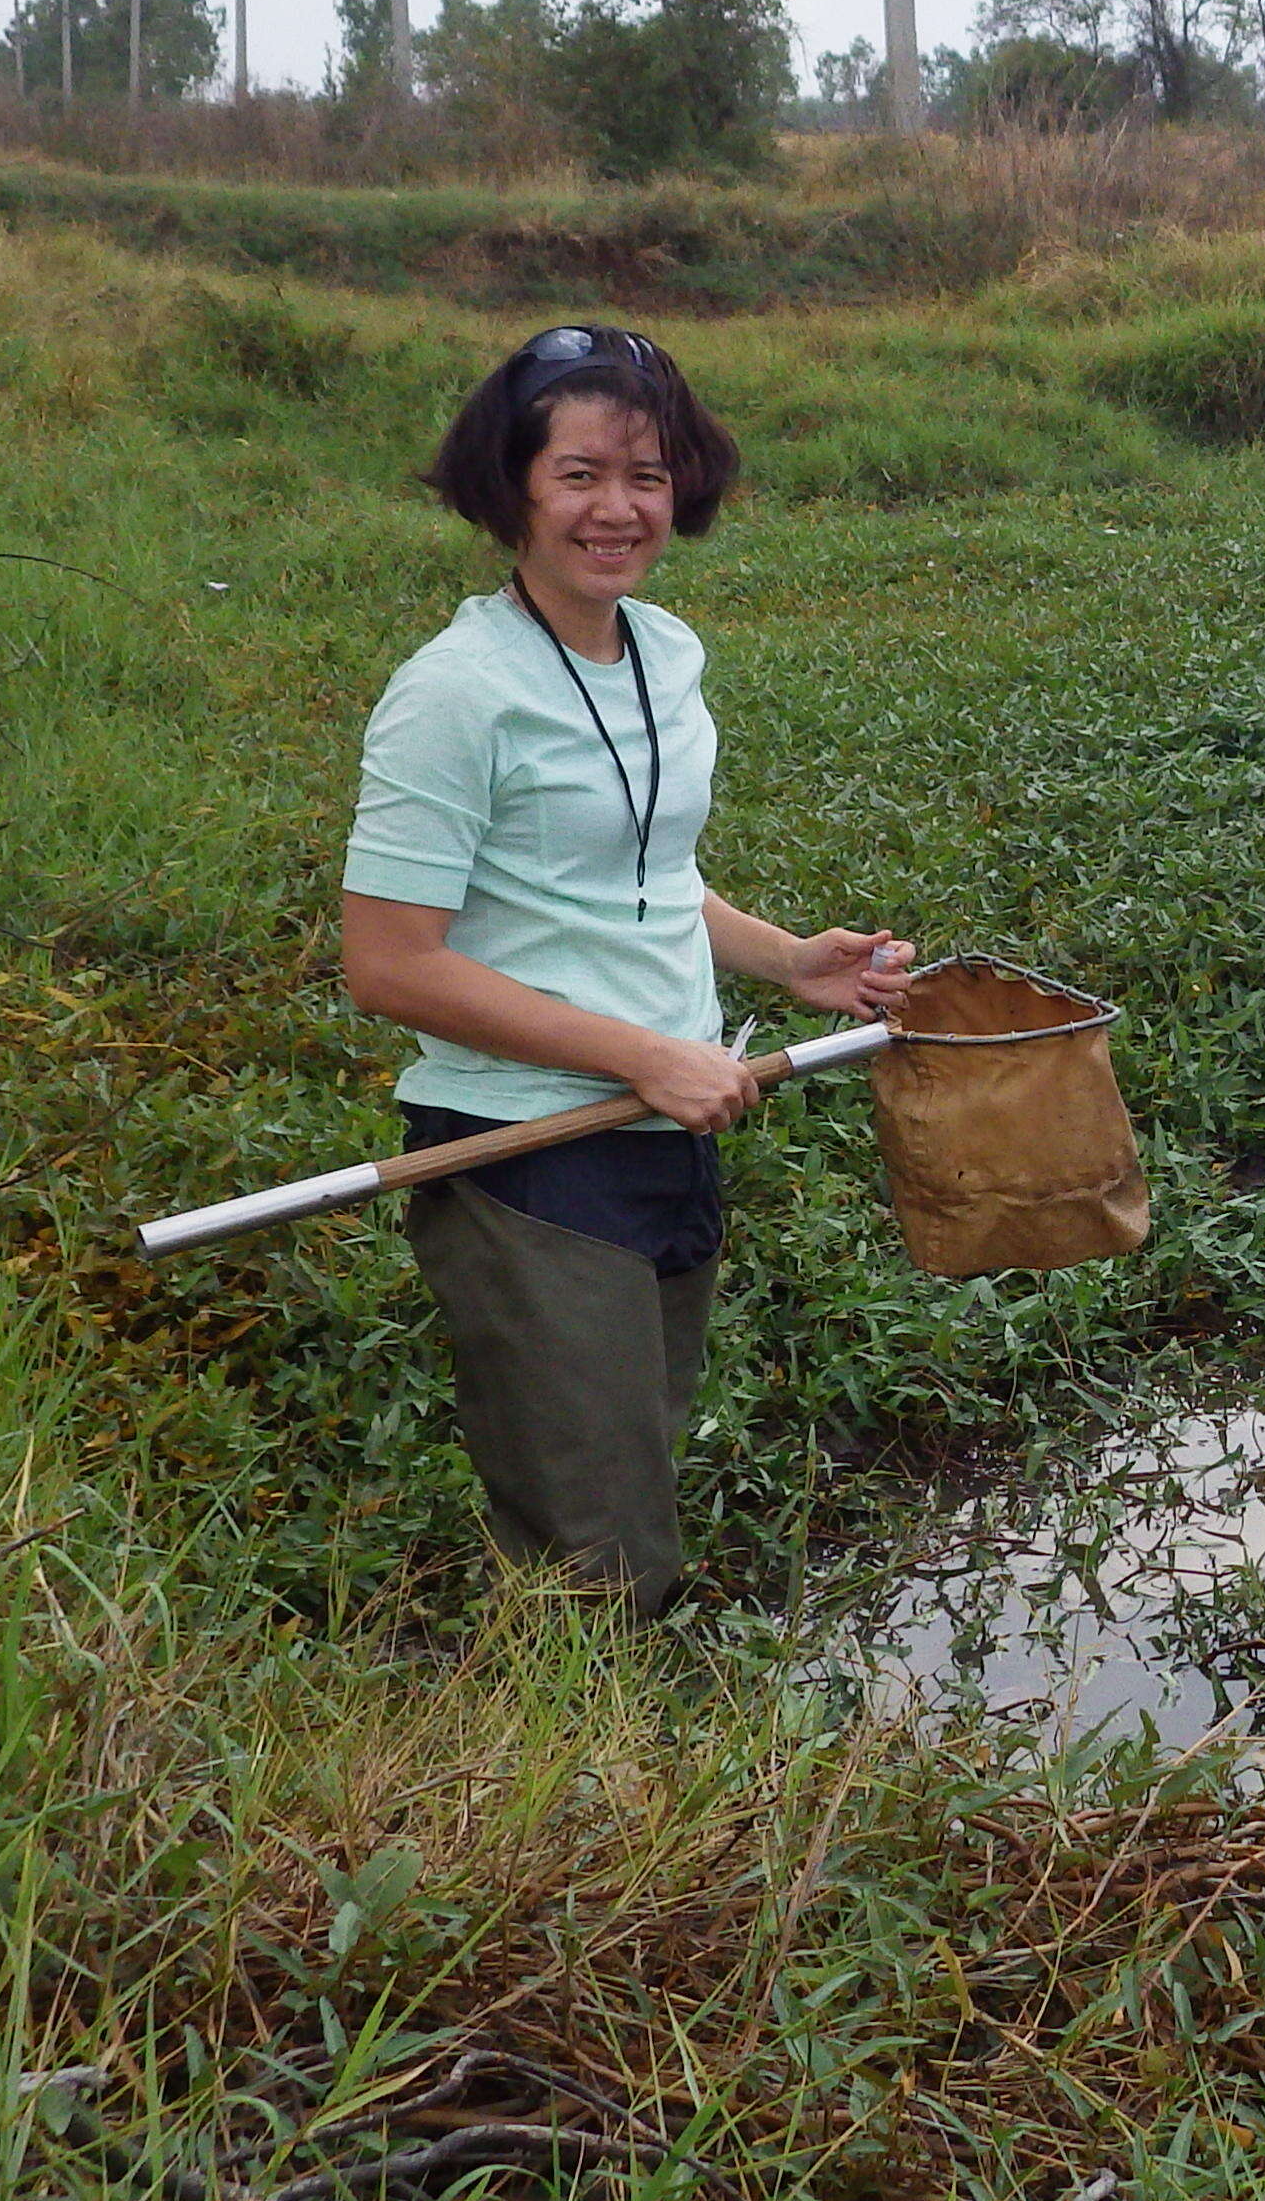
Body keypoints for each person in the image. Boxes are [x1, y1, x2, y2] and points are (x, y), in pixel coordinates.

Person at [340, 324, 913, 1615]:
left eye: (647, 475)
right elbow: (388, 966)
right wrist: (642, 1053)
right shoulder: (456, 693)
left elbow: (639, 878)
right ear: (512, 489)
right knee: (593, 1551)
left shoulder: (661, 651)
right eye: (580, 474)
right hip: (529, 1156)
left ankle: (617, 1757)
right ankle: (575, 1782)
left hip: (671, 1124)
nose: (618, 509)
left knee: (630, 1474)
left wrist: (785, 962)